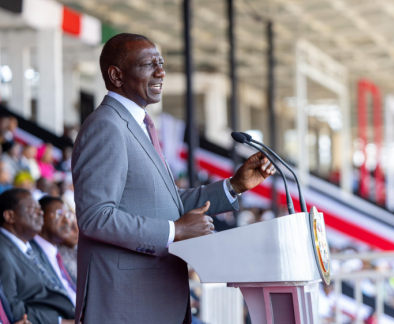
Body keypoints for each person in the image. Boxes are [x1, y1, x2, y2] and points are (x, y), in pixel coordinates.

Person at [72, 33, 276, 323]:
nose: (161, 72)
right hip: (127, 303)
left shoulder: (139, 125)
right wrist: (173, 232)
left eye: (161, 63)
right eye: (148, 64)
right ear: (116, 75)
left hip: (155, 298)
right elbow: (95, 216)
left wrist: (235, 185)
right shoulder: (106, 126)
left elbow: (166, 201)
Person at [0, 189, 74, 324]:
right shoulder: (2, 250)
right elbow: (11, 308)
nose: (40, 212)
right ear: (10, 216)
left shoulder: (29, 247)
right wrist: (61, 322)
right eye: (31, 208)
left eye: (39, 208)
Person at [31, 196, 76, 306]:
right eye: (59, 214)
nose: (66, 221)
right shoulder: (29, 252)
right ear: (40, 217)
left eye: (67, 215)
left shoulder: (59, 253)